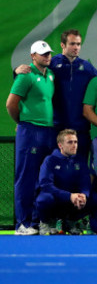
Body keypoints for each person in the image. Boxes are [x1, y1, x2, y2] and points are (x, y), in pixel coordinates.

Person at [14, 30, 97, 163]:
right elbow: (31, 76)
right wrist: (16, 72)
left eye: (78, 44)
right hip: (56, 129)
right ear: (62, 45)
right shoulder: (51, 64)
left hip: (80, 130)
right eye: (72, 44)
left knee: (79, 170)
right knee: (55, 169)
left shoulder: (87, 67)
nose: (76, 47)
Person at [6, 40, 57, 235]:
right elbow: (10, 104)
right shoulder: (25, 76)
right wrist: (21, 122)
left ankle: (37, 222)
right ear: (32, 57)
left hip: (48, 132)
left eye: (48, 53)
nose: (47, 56)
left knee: (43, 178)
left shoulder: (51, 75)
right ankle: (22, 224)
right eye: (42, 54)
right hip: (30, 131)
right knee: (26, 178)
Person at [35, 129, 90, 235]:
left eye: (76, 142)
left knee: (94, 199)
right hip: (56, 198)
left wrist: (83, 195)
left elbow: (85, 182)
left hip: (74, 200)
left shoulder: (80, 160)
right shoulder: (50, 160)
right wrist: (69, 196)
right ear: (60, 145)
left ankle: (71, 222)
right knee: (44, 199)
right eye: (70, 142)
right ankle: (46, 223)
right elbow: (45, 184)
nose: (74, 145)